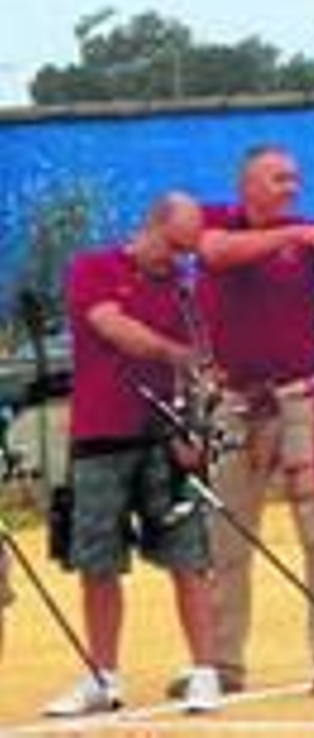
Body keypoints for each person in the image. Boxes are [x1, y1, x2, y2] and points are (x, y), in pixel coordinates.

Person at [188, 145, 314, 698]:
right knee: (225, 535)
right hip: (236, 402)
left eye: (295, 179)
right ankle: (223, 663)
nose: (291, 188)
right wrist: (294, 237)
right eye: (279, 179)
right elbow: (218, 253)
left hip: (303, 397)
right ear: (248, 184)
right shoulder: (217, 222)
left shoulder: (307, 236)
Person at [43, 193, 220, 717]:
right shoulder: (94, 269)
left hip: (166, 439)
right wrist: (175, 353)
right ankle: (104, 676)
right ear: (152, 226)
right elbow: (113, 328)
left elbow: (204, 366)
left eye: (187, 252)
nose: (178, 261)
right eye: (173, 247)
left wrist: (198, 431)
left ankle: (205, 671)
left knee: (188, 557)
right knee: (99, 562)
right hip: (101, 435)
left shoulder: (186, 291)